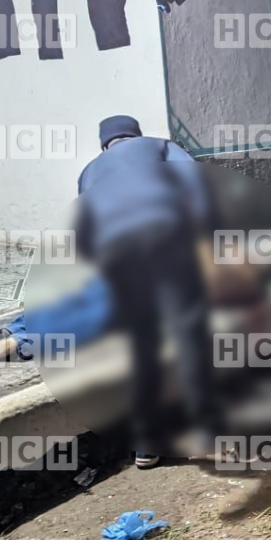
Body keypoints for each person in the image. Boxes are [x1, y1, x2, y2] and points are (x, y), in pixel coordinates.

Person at [75, 115, 217, 470]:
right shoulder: (160, 147)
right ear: (134, 134)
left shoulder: (89, 171)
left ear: (105, 144)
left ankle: (146, 447)